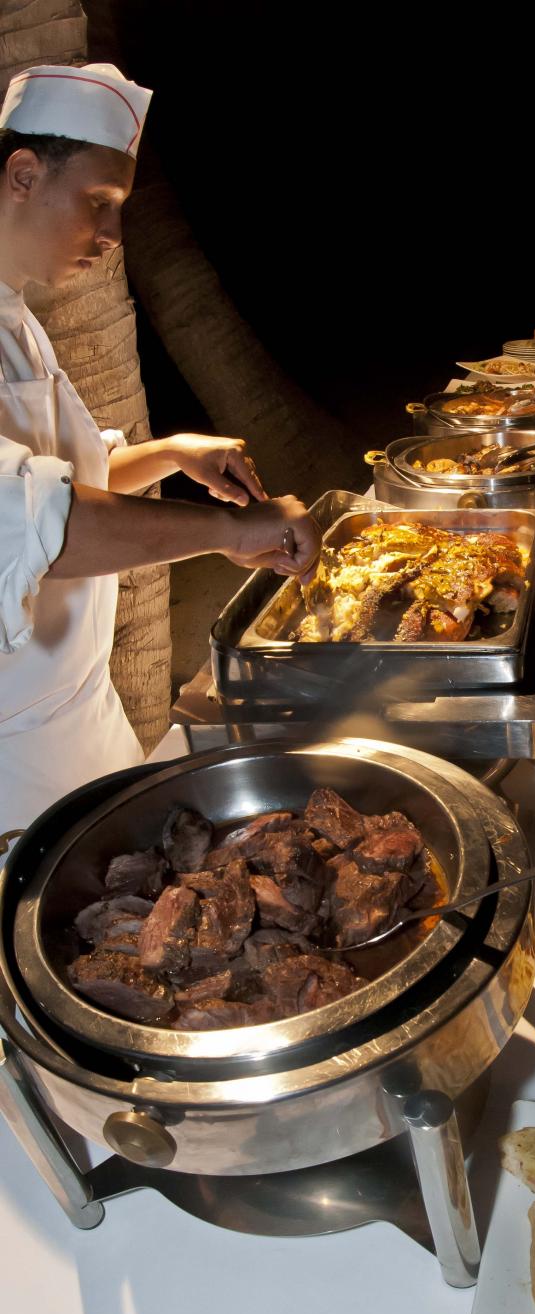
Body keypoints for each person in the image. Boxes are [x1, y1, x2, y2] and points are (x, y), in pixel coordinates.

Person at [0, 63, 321, 845]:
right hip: (12, 760)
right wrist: (228, 531)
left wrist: (169, 454)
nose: (112, 238)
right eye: (99, 205)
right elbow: (41, 525)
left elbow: (60, 485)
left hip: (81, 718)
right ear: (22, 173)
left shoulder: (15, 320)